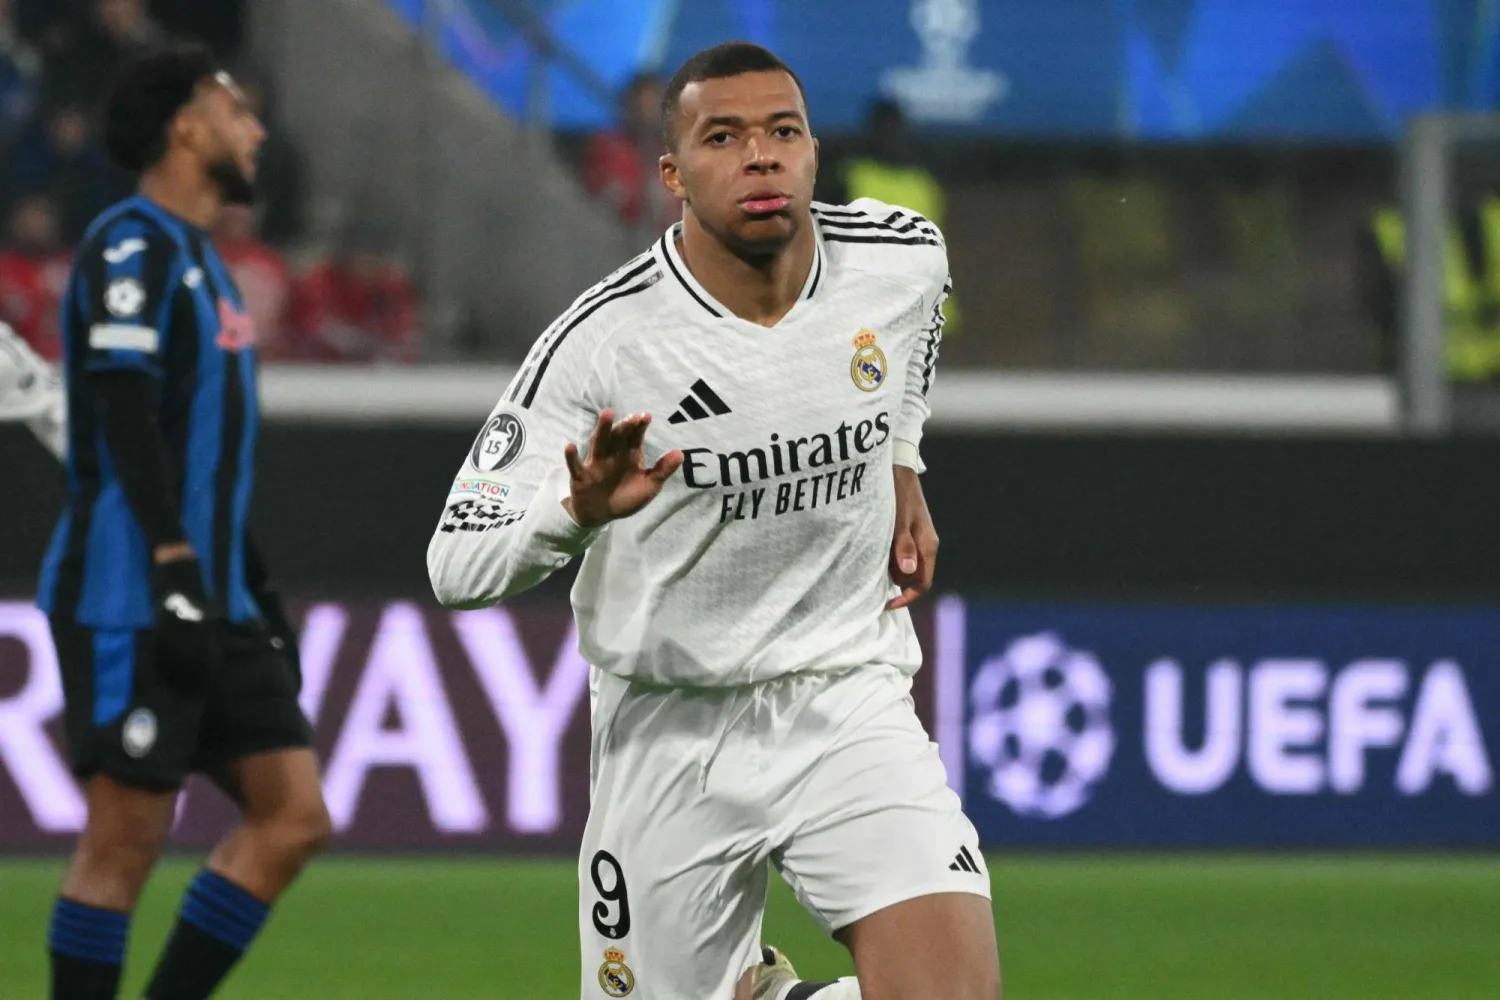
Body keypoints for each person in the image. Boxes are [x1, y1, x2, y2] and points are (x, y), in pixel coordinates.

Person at [429, 41, 998, 1000]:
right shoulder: (603, 343)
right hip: (671, 728)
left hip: (844, 695)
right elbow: (456, 563)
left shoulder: (901, 256)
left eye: (783, 132)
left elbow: (915, 342)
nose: (760, 156)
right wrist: (574, 512)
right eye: (723, 137)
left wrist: (903, 461)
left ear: (814, 151)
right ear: (673, 173)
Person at [35, 47, 329, 1000]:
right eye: (236, 111)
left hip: (215, 593)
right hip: (129, 591)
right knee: (125, 840)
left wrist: (257, 591)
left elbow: (207, 460)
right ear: (187, 128)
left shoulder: (208, 264)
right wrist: (169, 563)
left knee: (293, 818)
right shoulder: (132, 246)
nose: (256, 131)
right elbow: (123, 410)